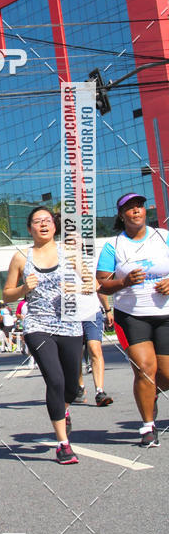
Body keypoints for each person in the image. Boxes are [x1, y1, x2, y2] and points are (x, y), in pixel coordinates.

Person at [3, 207, 82, 465]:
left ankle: (64, 409)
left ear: (55, 226)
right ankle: (63, 444)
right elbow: (6, 295)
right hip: (37, 325)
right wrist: (24, 288)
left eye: (47, 221)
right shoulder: (20, 258)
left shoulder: (69, 252)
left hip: (69, 324)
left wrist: (77, 286)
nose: (43, 225)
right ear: (30, 229)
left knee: (72, 386)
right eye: (38, 222)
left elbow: (93, 284)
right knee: (55, 380)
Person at [96, 192, 169, 447]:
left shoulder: (164, 237)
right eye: (129, 207)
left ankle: (151, 394)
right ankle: (148, 426)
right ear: (121, 215)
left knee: (166, 375)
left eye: (139, 205)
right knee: (145, 369)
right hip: (131, 316)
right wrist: (124, 282)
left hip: (165, 315)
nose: (136, 210)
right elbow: (102, 285)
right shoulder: (113, 246)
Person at [74, 291, 114, 406]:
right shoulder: (62, 272)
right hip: (70, 313)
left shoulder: (90, 272)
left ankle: (100, 391)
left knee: (95, 349)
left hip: (92, 312)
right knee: (76, 353)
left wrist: (107, 310)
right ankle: (80, 387)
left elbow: (99, 288)